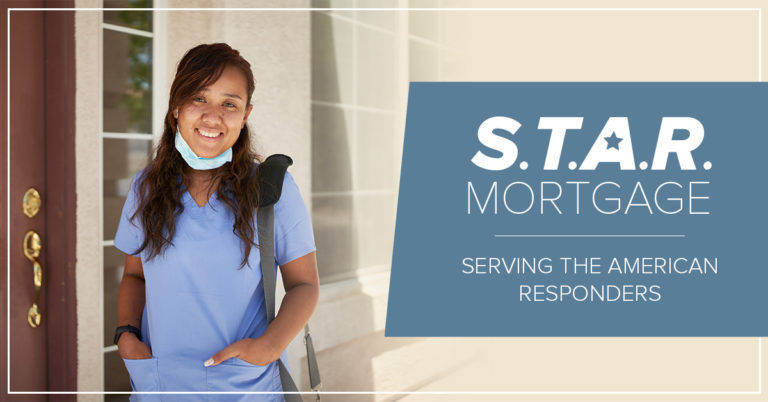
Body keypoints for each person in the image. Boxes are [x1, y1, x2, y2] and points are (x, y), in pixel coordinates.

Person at [113, 43, 319, 402]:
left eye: (229, 104)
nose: (212, 117)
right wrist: (127, 336)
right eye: (198, 98)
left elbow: (304, 285)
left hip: (245, 389)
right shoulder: (146, 188)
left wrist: (267, 348)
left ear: (245, 115)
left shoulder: (271, 189)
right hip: (162, 387)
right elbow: (134, 275)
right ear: (176, 107)